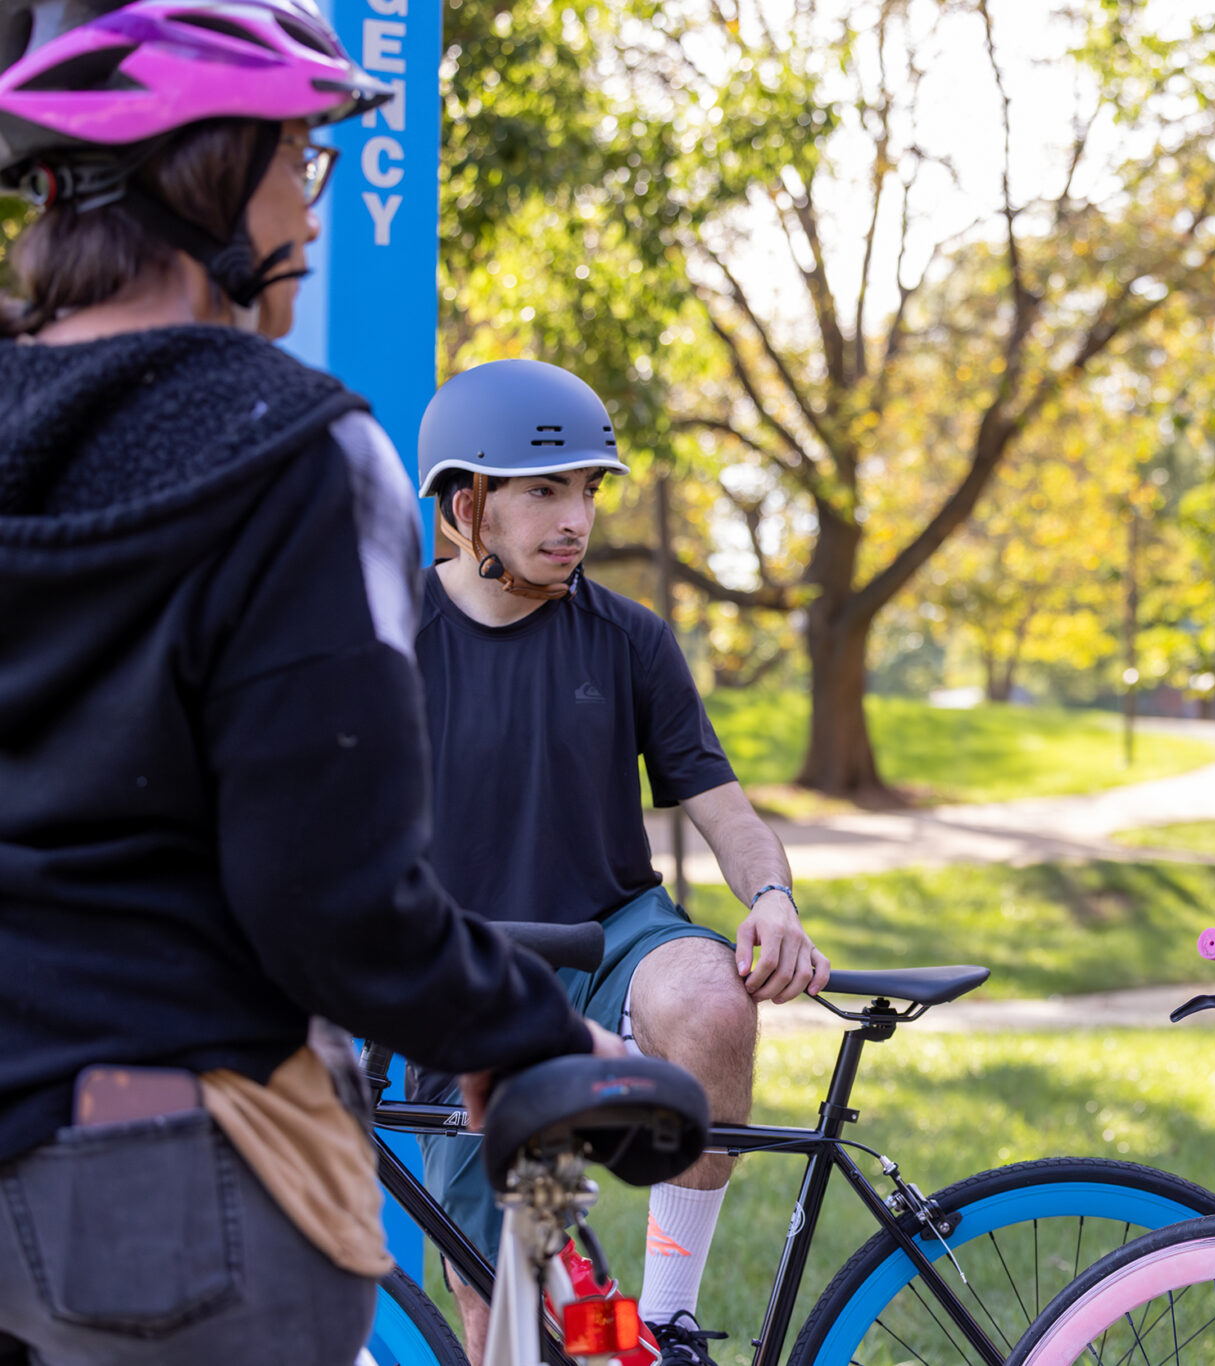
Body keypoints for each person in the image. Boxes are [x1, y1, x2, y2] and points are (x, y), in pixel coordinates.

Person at [0, 4, 613, 1363]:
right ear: (206, 175)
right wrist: (525, 1025)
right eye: (296, 158)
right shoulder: (293, 453)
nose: (313, 206)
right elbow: (332, 901)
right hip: (171, 1189)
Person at [409, 358, 832, 1366]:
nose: (575, 519)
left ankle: (674, 1324)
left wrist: (771, 896)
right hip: (465, 978)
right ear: (469, 502)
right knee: (504, 1304)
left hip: (610, 939)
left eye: (588, 490)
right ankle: (590, 1329)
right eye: (545, 489)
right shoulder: (385, 632)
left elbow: (722, 806)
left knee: (714, 997)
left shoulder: (629, 640)